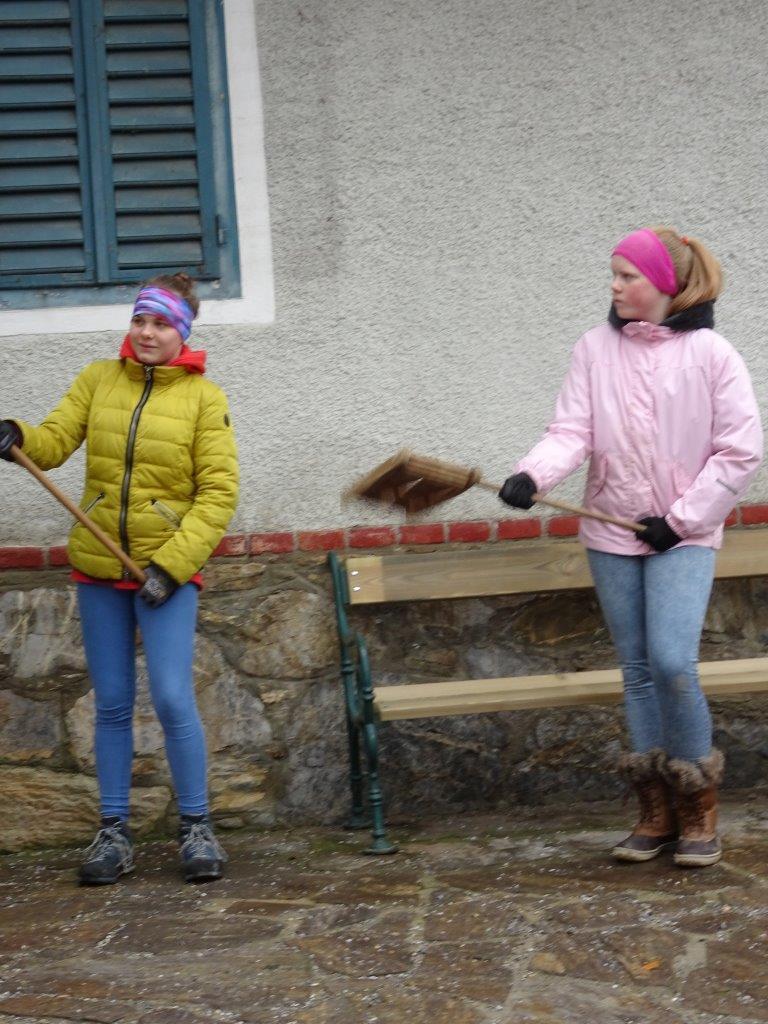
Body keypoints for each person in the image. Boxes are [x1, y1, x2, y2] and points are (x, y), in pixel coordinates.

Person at [499, 227, 762, 868]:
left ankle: (697, 802)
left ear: (664, 283)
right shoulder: (595, 348)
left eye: (627, 276)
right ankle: (655, 811)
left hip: (682, 536)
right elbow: (571, 430)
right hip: (611, 530)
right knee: (639, 670)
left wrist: (681, 519)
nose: (614, 286)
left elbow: (740, 451)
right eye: (613, 275)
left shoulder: (712, 354)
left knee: (673, 663)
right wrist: (533, 474)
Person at [0, 274, 239, 885]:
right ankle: (113, 833)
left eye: (160, 323)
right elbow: (54, 441)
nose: (146, 333)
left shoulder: (204, 399)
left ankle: (196, 827)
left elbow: (218, 494)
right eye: (139, 320)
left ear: (182, 332)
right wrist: (18, 434)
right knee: (110, 702)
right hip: (100, 567)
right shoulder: (97, 380)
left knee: (172, 697)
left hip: (165, 574)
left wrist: (171, 567)